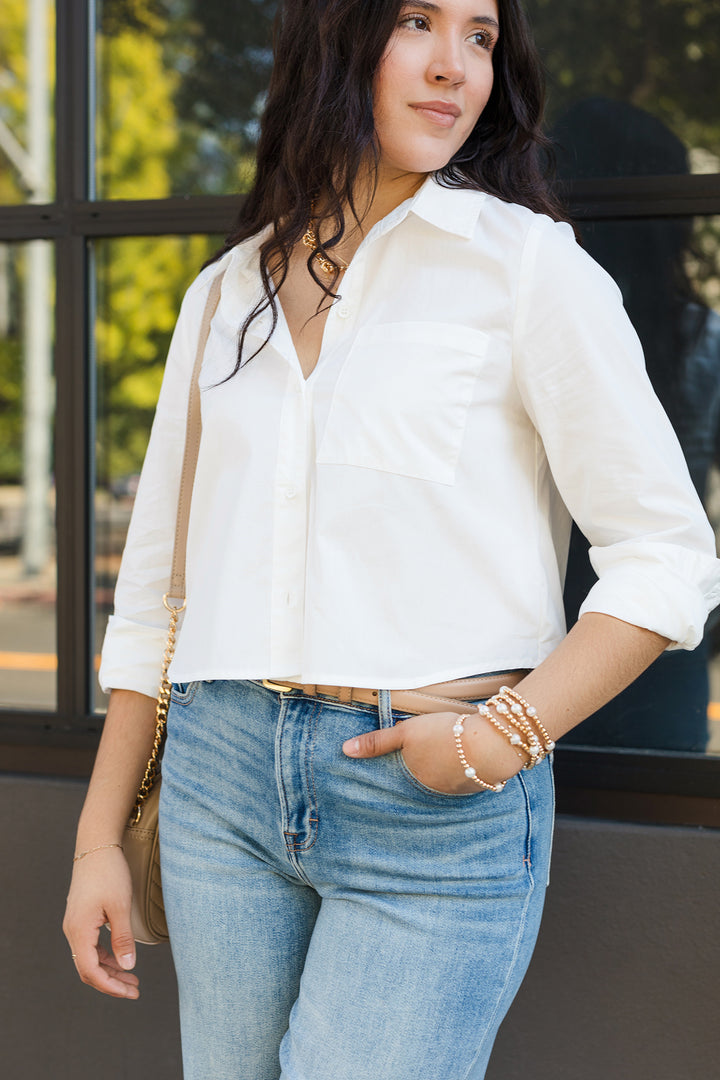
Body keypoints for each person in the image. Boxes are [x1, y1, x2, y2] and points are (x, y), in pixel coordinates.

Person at [63, 2, 720, 1078]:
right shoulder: (226, 295)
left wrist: (503, 735)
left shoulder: (526, 270)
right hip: (219, 786)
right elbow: (155, 600)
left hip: (432, 801)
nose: (454, 66)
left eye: (480, 36)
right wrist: (98, 844)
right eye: (419, 21)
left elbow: (668, 555)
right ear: (341, 36)